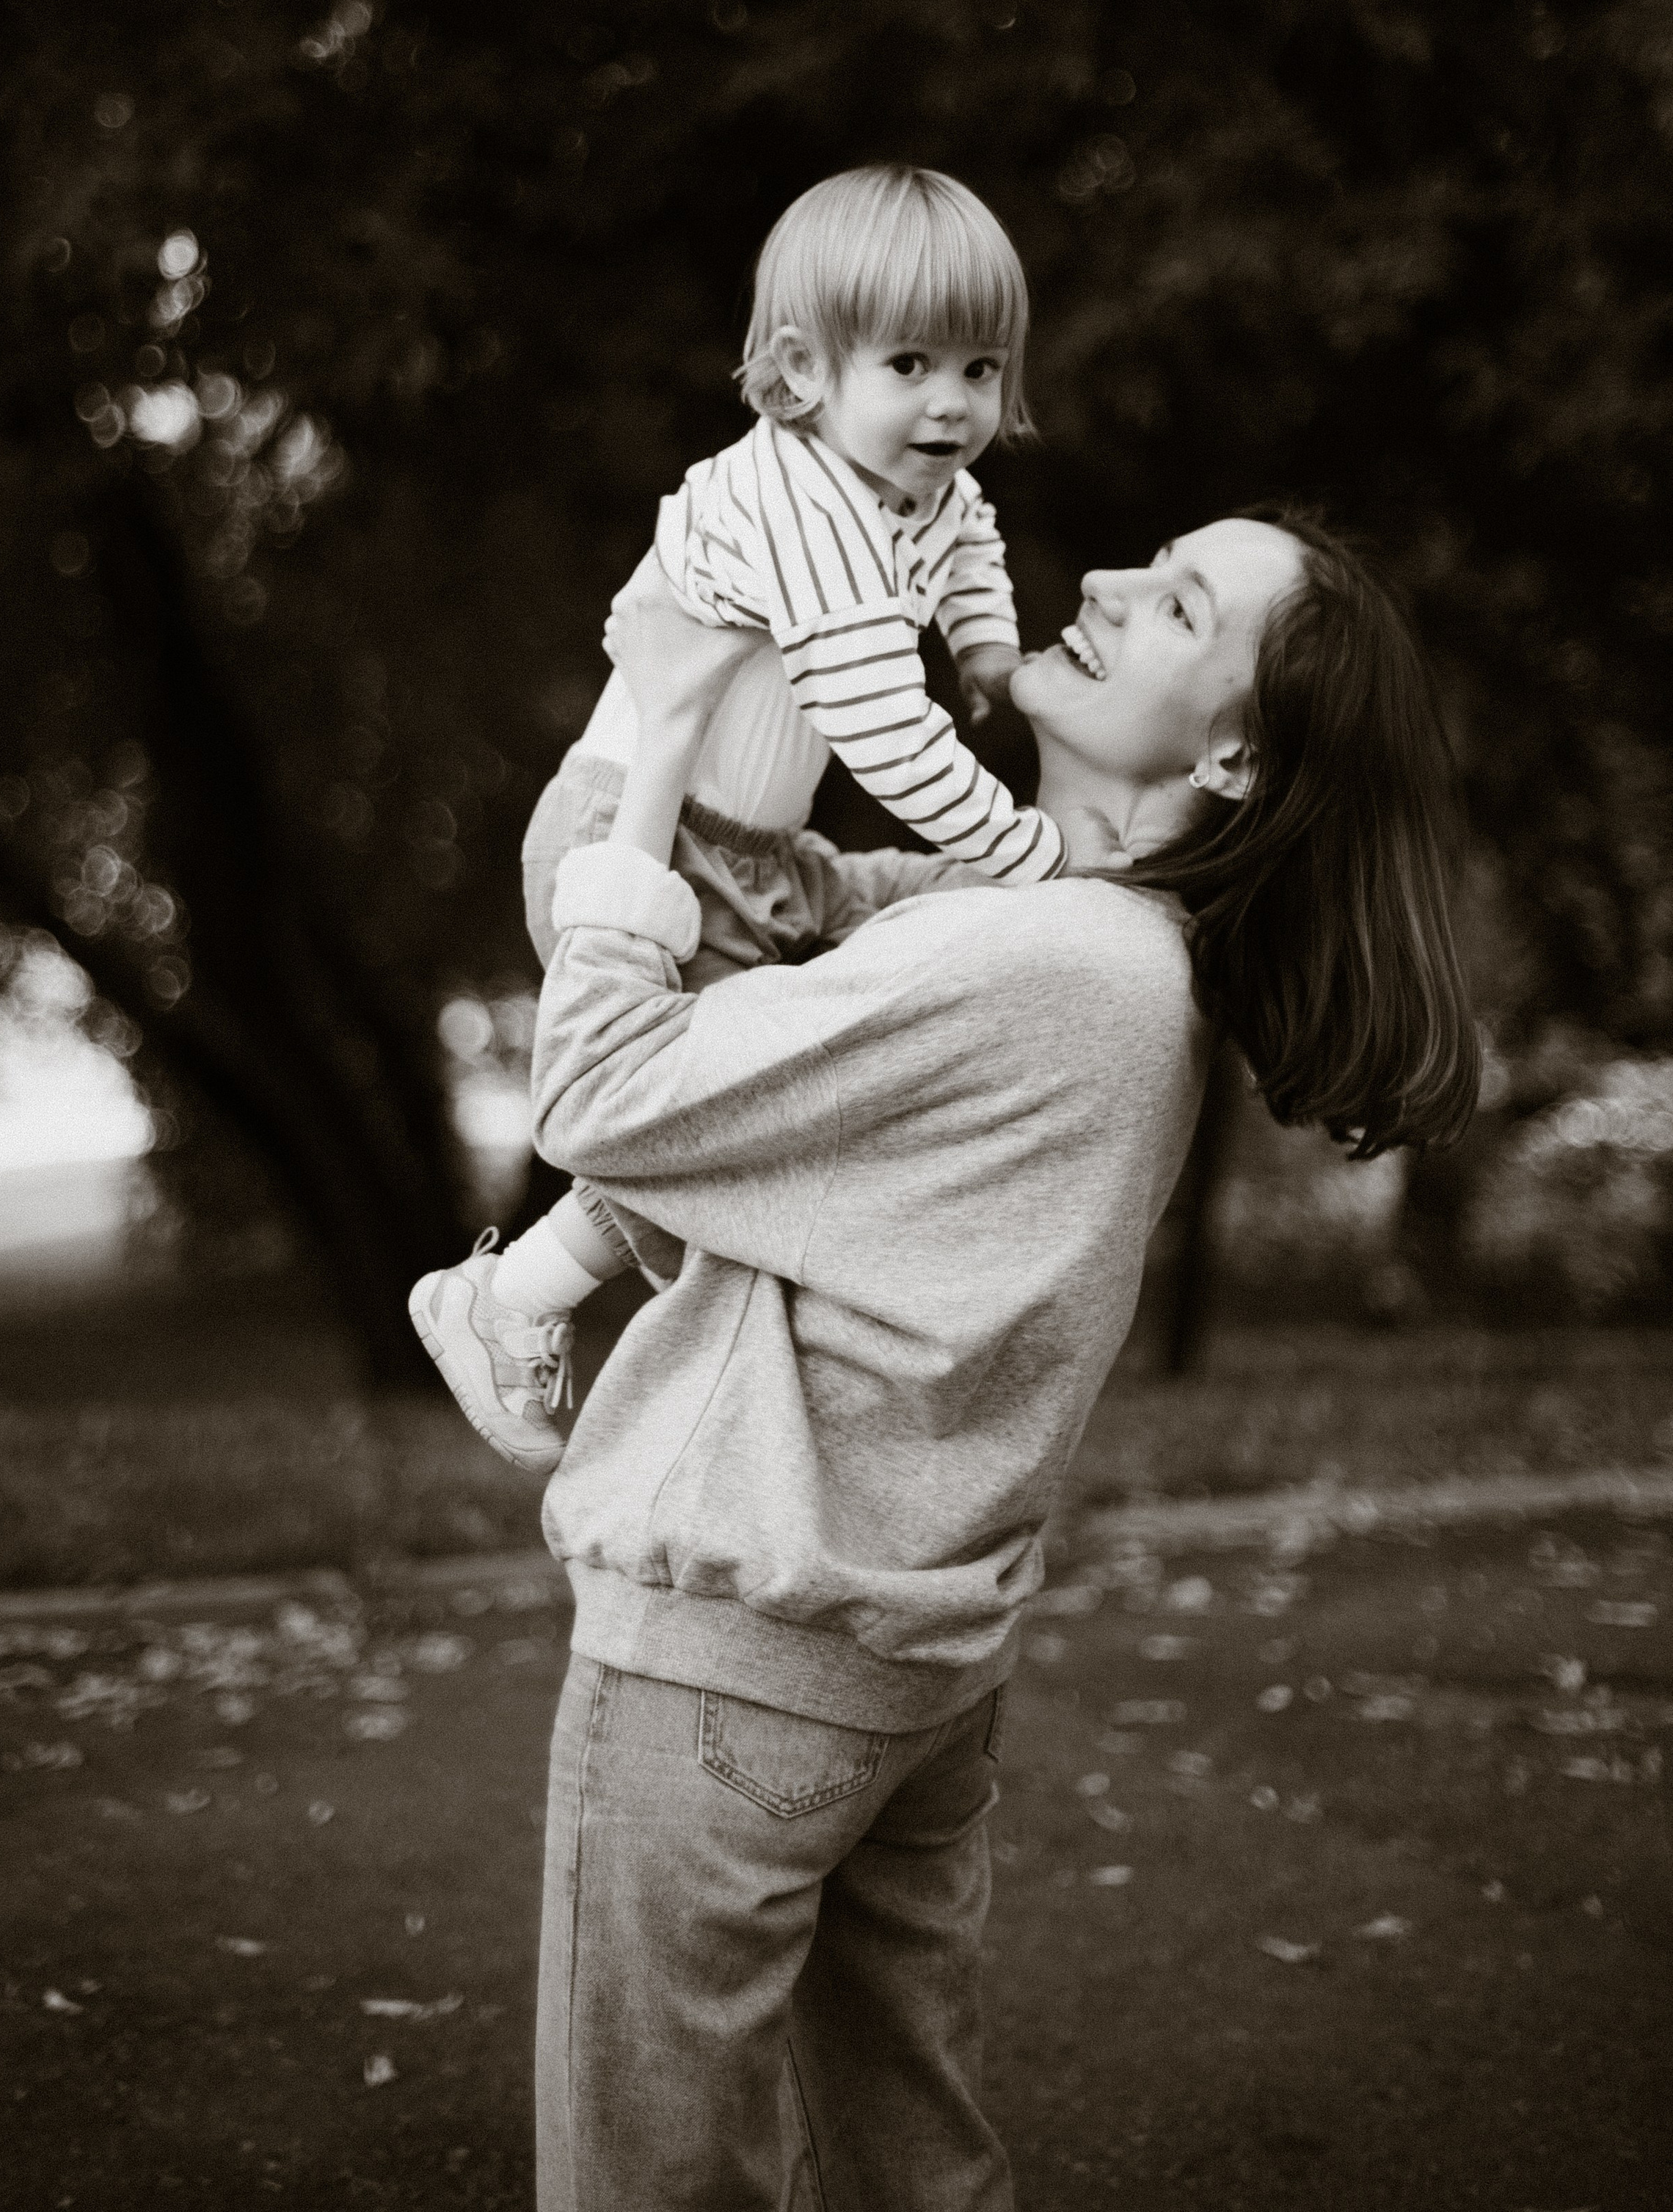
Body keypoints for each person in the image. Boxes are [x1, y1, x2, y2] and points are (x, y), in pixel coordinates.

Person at [525, 509, 1481, 2212]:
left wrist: (655, 731)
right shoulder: (1097, 945)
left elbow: (598, 1099)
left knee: (651, 2180)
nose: (1105, 581)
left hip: (736, 1664)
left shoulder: (1037, 962)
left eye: (1180, 602)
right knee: (909, 2164)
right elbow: (799, 902)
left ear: (1237, 754)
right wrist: (742, 665)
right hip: (906, 1677)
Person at [411, 165, 1117, 1469]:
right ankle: (516, 1308)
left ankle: (539, 1309)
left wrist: (989, 656)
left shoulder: (920, 477)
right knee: (713, 1129)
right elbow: (887, 742)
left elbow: (971, 543)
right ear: (801, 372)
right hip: (636, 833)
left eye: (981, 364)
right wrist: (1031, 851)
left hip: (744, 850)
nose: (954, 402)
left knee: (724, 1125)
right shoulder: (802, 509)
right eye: (911, 362)